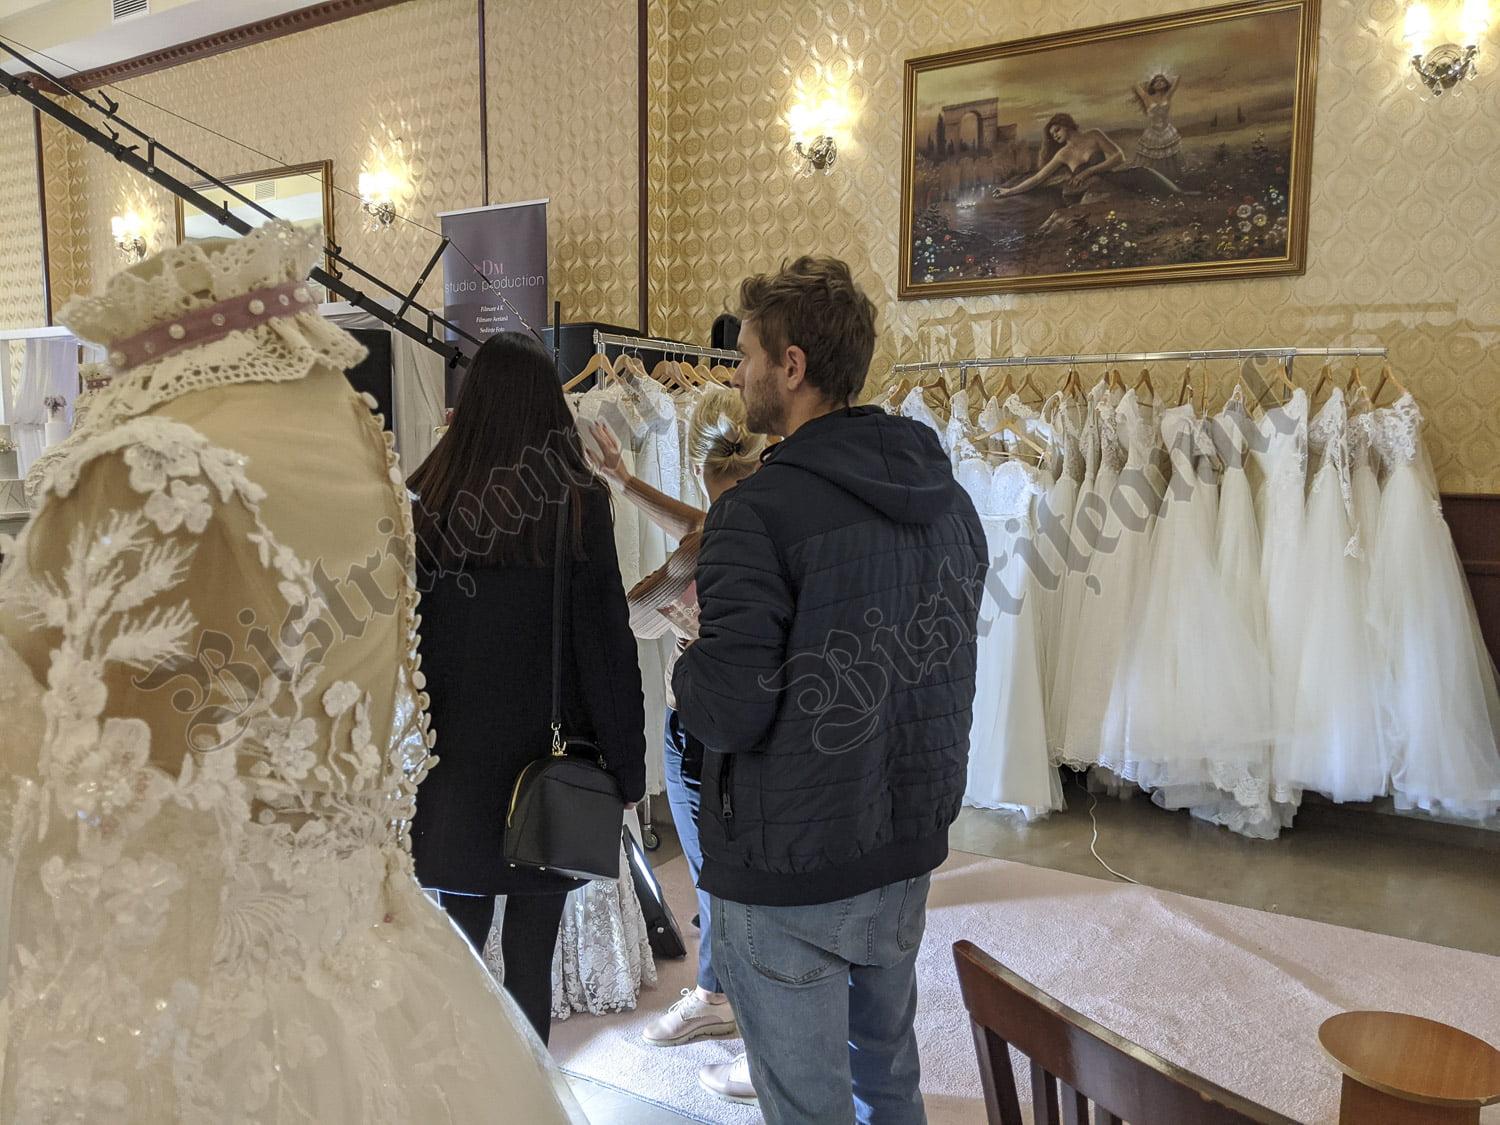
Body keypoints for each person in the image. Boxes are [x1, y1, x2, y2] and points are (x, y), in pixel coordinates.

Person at [0, 221, 584, 1121]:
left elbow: (79, 793)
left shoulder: (152, 463)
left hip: (191, 1008)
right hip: (368, 977)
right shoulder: (347, 422)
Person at [672, 257, 989, 1123]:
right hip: (902, 842)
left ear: (793, 366)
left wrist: (687, 659)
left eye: (745, 356)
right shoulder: (950, 502)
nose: (736, 375)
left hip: (790, 862)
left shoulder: (755, 513)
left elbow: (730, 708)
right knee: (887, 1079)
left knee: (808, 1106)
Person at [407, 331, 647, 1045]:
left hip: (449, 765)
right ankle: (532, 1091)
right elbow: (606, 647)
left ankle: (462, 1087)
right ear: (549, 409)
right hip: (547, 769)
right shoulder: (575, 503)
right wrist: (627, 769)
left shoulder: (426, 500)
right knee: (532, 955)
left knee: (458, 945)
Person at [586, 387, 768, 1049]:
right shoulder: (763, 520)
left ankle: (716, 994)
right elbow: (700, 523)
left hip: (698, 722)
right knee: (733, 857)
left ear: (698, 466)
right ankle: (736, 980)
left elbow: (634, 617)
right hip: (752, 717)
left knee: (710, 866)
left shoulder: (704, 548)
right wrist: (625, 481)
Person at [992, 112, 1183, 201]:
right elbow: (1038, 178)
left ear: (1067, 125)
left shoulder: (1093, 135)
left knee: (1143, 173)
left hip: (1112, 180)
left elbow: (1119, 157)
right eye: (1052, 134)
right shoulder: (1063, 154)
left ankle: (1180, 194)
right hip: (1085, 192)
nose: (1055, 136)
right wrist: (1010, 191)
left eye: (1057, 130)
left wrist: (1088, 171)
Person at [1133, 73, 1184, 181]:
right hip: (1153, 132)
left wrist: (1167, 78)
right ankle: (1152, 180)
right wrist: (1147, 81)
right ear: (1152, 84)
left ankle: (1171, 179)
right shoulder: (1147, 97)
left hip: (1167, 131)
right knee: (1152, 159)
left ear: (1166, 83)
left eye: (1162, 81)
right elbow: (1135, 85)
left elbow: (1177, 78)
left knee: (1169, 158)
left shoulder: (1167, 95)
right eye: (1156, 81)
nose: (1159, 83)